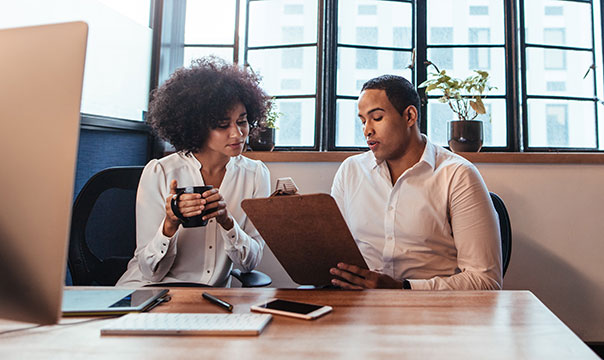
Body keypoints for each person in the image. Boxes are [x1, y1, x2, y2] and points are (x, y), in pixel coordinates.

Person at [329, 75, 502, 290]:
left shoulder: (458, 175)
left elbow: (486, 281)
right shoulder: (350, 171)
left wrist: (403, 288)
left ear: (409, 116)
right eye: (363, 120)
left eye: (377, 118)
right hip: (358, 308)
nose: (367, 130)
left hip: (432, 312)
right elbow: (333, 254)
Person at [117, 57, 271, 287]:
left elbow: (250, 263)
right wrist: (170, 224)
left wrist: (228, 222)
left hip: (210, 300)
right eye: (222, 125)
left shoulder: (256, 175)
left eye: (243, 121)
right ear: (196, 126)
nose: (238, 133)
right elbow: (150, 271)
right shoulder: (160, 172)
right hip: (150, 292)